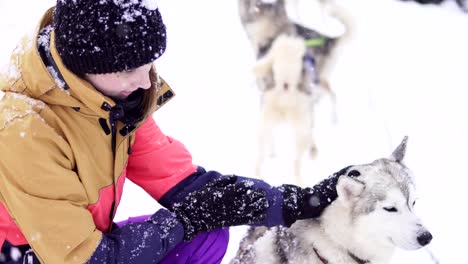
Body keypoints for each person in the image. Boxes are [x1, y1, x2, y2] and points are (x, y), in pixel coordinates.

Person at [0, 0, 348, 263]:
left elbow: (184, 183)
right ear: (85, 65)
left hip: (84, 247)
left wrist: (293, 202)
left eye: (149, 64)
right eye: (130, 69)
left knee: (208, 234)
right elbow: (87, 257)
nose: (145, 81)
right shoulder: (23, 131)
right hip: (34, 255)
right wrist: (182, 221)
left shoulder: (107, 101)